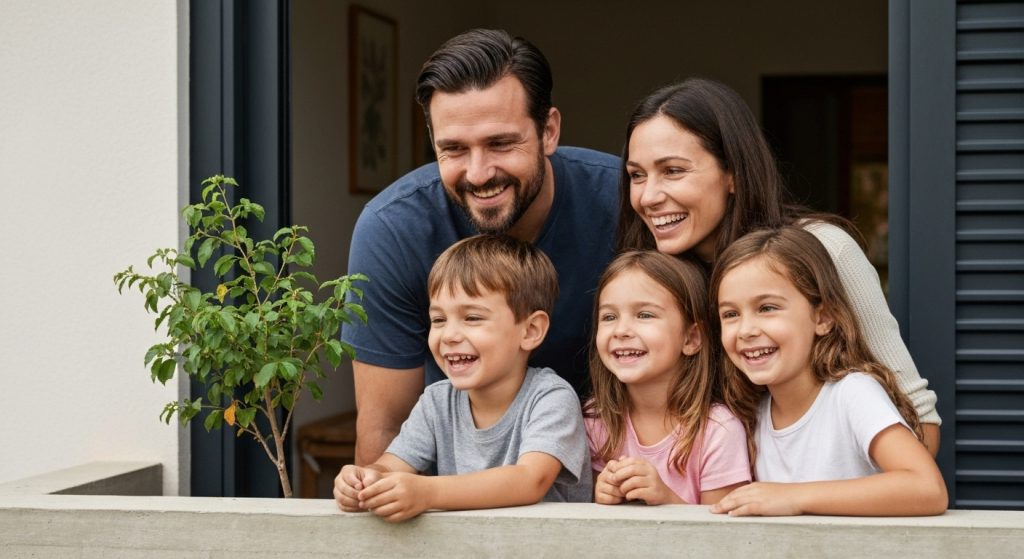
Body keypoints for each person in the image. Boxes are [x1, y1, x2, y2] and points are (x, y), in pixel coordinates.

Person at [615, 78, 941, 454]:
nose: (648, 196)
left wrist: (806, 500)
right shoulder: (649, 280)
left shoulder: (824, 248)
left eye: (672, 170)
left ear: (732, 174)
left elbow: (920, 425)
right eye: (637, 175)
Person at [343, 29, 619, 465]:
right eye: (453, 149)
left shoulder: (624, 202)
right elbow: (385, 429)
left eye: (500, 143)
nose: (478, 173)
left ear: (548, 131)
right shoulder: (393, 229)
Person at [333, 235, 592, 522]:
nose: (450, 335)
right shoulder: (437, 401)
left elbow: (530, 480)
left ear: (530, 331)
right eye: (439, 320)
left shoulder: (551, 397)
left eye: (472, 318)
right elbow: (391, 466)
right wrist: (365, 479)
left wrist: (426, 492)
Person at [709, 226, 947, 516]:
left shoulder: (852, 393)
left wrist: (794, 498)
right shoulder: (754, 412)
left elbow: (927, 488)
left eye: (768, 308)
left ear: (822, 318)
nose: (746, 330)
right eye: (730, 314)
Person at [585, 251, 750, 505]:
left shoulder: (718, 430)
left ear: (691, 338)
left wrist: (665, 500)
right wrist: (601, 495)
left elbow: (723, 538)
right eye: (609, 317)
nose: (621, 330)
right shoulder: (596, 419)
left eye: (644, 315)